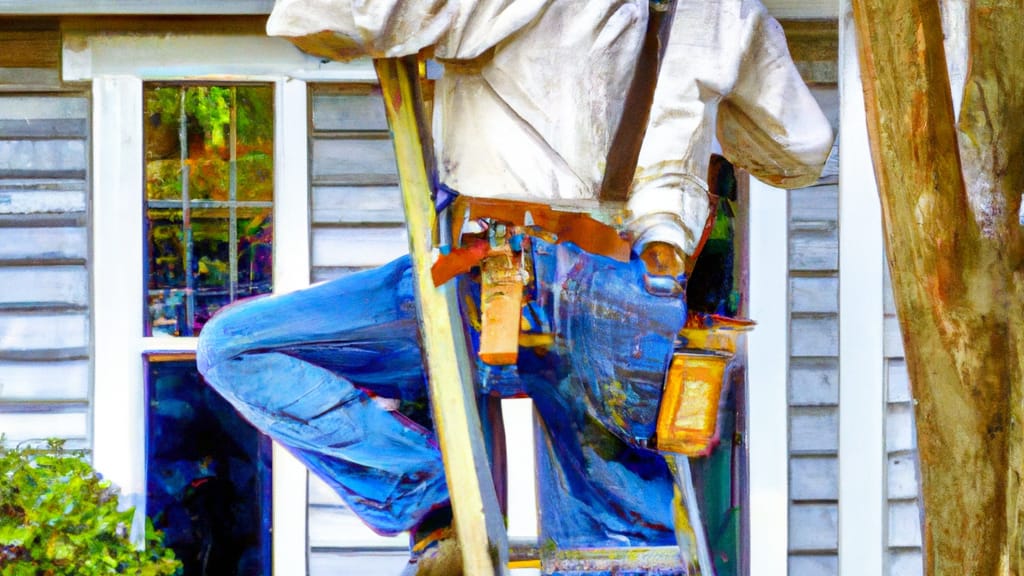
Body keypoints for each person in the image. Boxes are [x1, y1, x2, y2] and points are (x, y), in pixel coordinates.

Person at [197, 0, 833, 573]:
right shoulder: (726, 12)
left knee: (236, 347)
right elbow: (799, 149)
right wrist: (704, 112)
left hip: (491, 276)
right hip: (615, 289)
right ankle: (436, 496)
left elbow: (318, 17)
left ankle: (426, 491)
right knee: (611, 551)